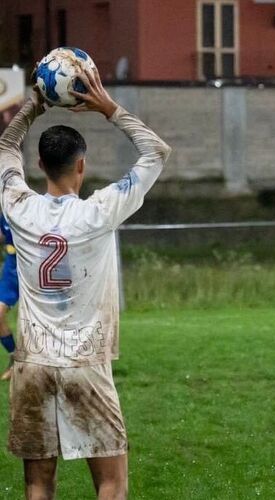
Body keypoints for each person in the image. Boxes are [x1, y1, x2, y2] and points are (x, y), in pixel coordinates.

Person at [0, 66, 170, 498]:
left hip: (31, 364)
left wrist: (31, 107)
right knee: (111, 485)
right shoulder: (99, 211)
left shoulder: (19, 206)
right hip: (85, 363)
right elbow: (155, 153)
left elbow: (4, 146)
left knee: (38, 485)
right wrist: (110, 108)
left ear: (38, 165)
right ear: (81, 164)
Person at [0, 213, 19, 380]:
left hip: (35, 271)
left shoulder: (33, 210)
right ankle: (16, 359)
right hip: (11, 272)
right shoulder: (4, 216)